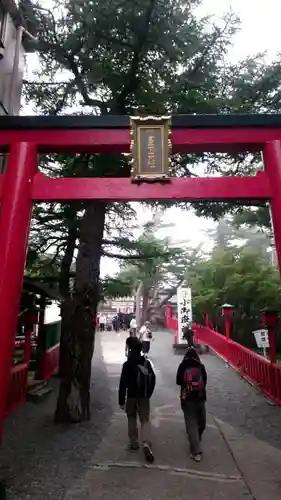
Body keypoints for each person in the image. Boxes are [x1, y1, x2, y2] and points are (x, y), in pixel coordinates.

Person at [119, 337, 156, 463]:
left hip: (131, 396)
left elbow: (122, 384)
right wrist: (148, 393)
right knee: (145, 419)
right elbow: (153, 379)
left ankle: (134, 443)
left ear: (130, 349)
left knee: (132, 418)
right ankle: (146, 443)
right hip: (144, 396)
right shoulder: (146, 363)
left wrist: (121, 400)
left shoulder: (127, 364)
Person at [176, 347, 207, 463]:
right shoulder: (200, 366)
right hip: (200, 398)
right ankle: (196, 446)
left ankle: (196, 451)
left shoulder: (182, 366)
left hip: (187, 398)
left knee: (191, 424)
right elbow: (205, 381)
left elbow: (178, 381)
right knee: (201, 423)